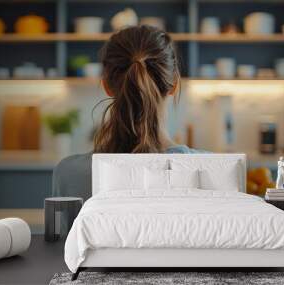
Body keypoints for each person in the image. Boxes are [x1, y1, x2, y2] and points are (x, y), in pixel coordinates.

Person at [53, 25, 207, 201]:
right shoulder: (211, 170)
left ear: (107, 86)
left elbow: (63, 230)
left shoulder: (68, 173)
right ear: (174, 85)